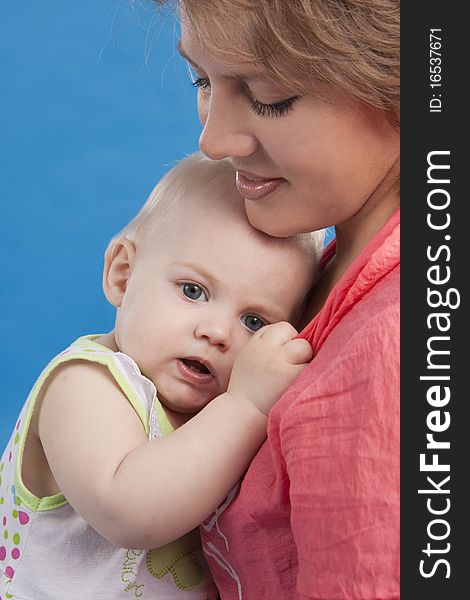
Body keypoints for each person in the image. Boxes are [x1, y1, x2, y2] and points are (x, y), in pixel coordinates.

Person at [153, 0, 400, 598]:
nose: (212, 141)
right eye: (203, 81)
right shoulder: (319, 266)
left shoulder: (393, 348)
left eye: (268, 95)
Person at [0, 153, 324, 599]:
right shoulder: (86, 384)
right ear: (123, 274)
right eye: (194, 291)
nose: (216, 332)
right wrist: (246, 406)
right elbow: (129, 513)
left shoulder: (214, 412)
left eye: (254, 322)